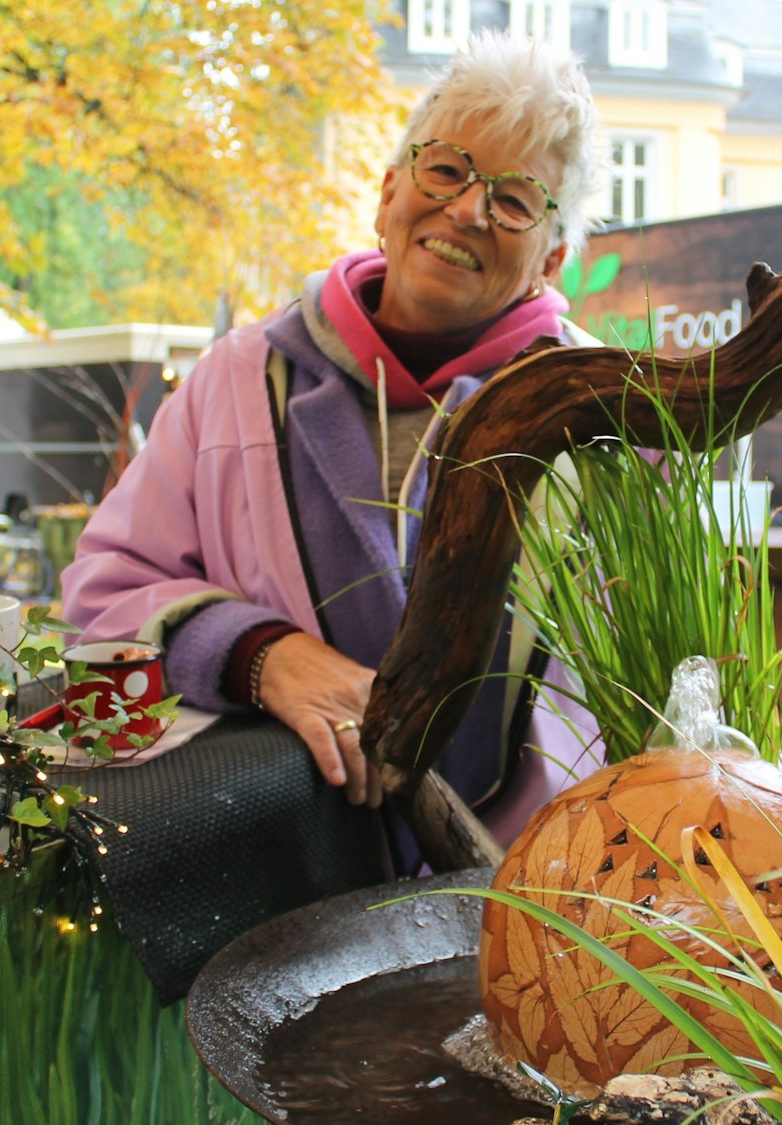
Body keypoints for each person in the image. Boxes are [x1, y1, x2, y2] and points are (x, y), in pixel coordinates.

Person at [60, 31, 607, 862]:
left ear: (551, 258)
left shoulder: (610, 423)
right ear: (389, 193)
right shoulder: (235, 380)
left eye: (516, 200)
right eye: (447, 169)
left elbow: (663, 690)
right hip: (271, 892)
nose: (467, 209)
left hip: (526, 905)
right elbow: (101, 596)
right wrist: (258, 654)